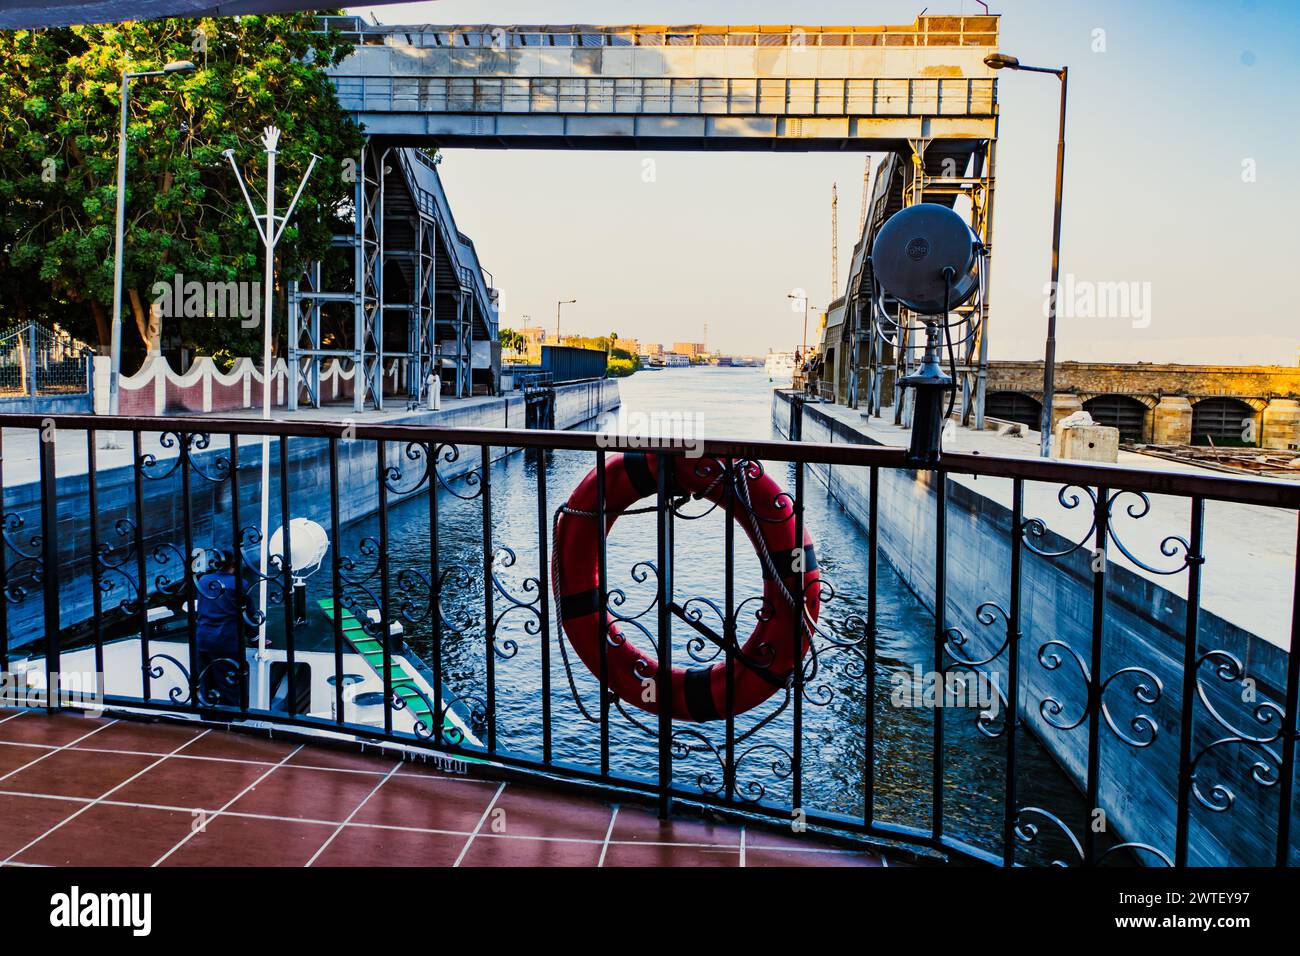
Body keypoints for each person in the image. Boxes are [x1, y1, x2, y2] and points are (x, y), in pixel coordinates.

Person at [194, 551, 254, 707]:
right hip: (225, 640)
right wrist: (255, 638)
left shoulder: (203, 580)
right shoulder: (240, 584)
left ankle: (207, 718)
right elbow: (249, 616)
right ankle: (229, 722)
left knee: (205, 683)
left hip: (203, 638)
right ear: (235, 565)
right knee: (229, 685)